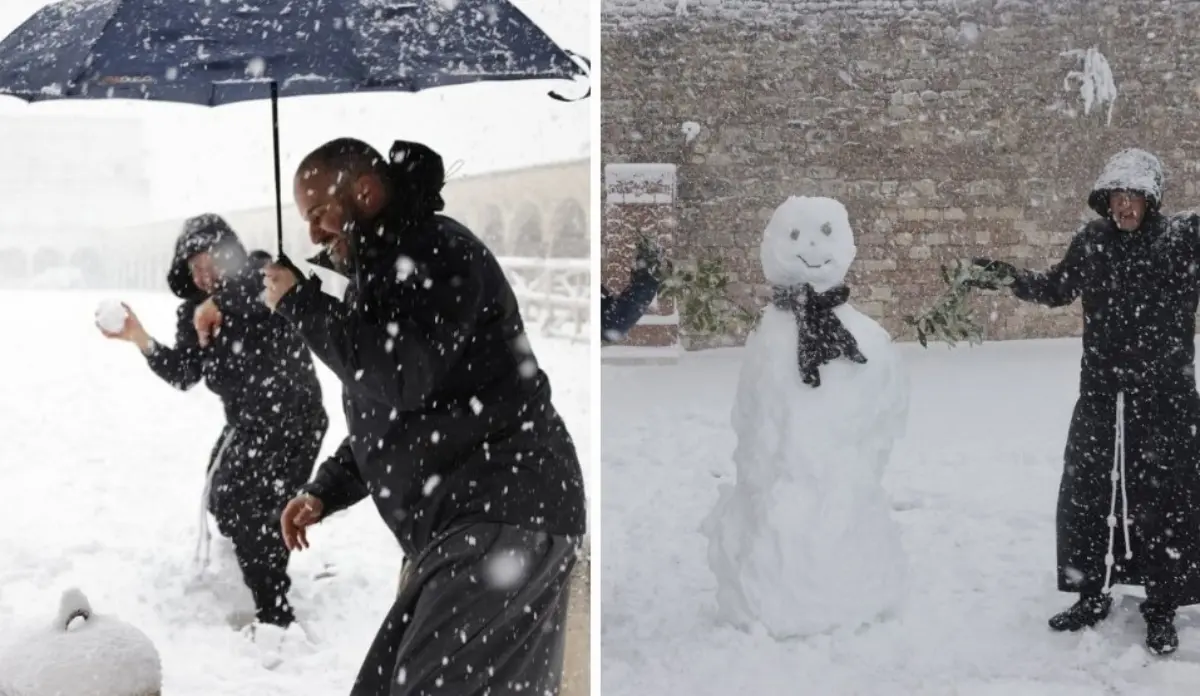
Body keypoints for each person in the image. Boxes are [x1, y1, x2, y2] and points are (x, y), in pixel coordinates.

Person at [261, 138, 586, 695]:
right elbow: (395, 419)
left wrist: (301, 303)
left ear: (365, 192)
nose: (312, 234)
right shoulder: (382, 276)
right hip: (476, 523)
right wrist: (326, 490)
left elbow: (401, 376)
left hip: (504, 509)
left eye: (318, 214)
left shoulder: (437, 252)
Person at [971, 148, 1200, 655]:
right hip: (1101, 393)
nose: (1124, 205)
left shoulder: (1183, 239)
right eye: (1117, 196)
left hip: (1165, 399)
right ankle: (1090, 593)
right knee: (1089, 496)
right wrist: (1008, 277)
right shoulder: (1093, 242)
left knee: (1164, 503)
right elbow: (1056, 288)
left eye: (1134, 196)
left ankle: (1161, 606)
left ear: (1151, 200)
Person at [98, 213, 328, 636]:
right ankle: (256, 552)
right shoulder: (193, 312)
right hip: (247, 424)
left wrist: (221, 302)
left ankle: (274, 612)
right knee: (221, 499)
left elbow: (261, 286)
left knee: (248, 506)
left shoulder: (263, 277)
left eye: (211, 263)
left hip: (294, 418)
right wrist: (139, 337)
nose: (204, 276)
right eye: (195, 268)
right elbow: (185, 373)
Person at [601, 234, 663, 342]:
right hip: (613, 324)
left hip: (613, 324)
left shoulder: (645, 286)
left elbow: (628, 303)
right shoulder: (645, 285)